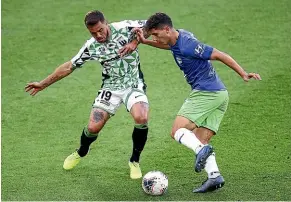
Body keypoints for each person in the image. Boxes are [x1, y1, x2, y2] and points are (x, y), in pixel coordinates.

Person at [132, 12, 261, 192]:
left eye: (156, 34)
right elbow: (169, 47)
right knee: (200, 140)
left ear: (167, 29)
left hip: (206, 93)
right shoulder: (177, 38)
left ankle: (201, 152)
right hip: (220, 95)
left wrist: (243, 73)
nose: (156, 38)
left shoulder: (189, 45)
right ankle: (214, 176)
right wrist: (146, 42)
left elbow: (219, 54)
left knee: (177, 131)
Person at [25, 10, 150, 180]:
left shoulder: (125, 27)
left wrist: (136, 42)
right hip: (111, 87)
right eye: (93, 33)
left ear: (106, 23)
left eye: (101, 30)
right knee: (93, 127)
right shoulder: (91, 46)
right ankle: (81, 152)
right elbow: (69, 66)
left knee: (141, 117)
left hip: (133, 84)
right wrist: (43, 84)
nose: (98, 35)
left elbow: (152, 24)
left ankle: (134, 161)